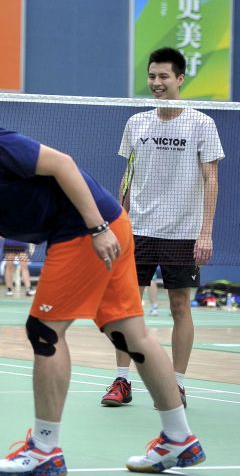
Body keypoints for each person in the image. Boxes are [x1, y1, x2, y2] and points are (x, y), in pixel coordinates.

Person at [0, 110, 204, 475]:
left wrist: (96, 228)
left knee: (45, 330)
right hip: (105, 226)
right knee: (130, 334)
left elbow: (62, 164)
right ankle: (180, 439)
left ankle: (45, 449)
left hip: (86, 227)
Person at [102, 47, 224, 409]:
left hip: (183, 232)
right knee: (126, 307)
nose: (156, 83)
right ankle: (122, 380)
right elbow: (128, 176)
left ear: (180, 79)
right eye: (152, 76)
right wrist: (117, 222)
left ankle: (178, 384)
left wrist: (206, 232)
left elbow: (211, 179)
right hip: (138, 228)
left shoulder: (202, 124)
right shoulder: (136, 123)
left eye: (163, 76)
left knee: (180, 306)